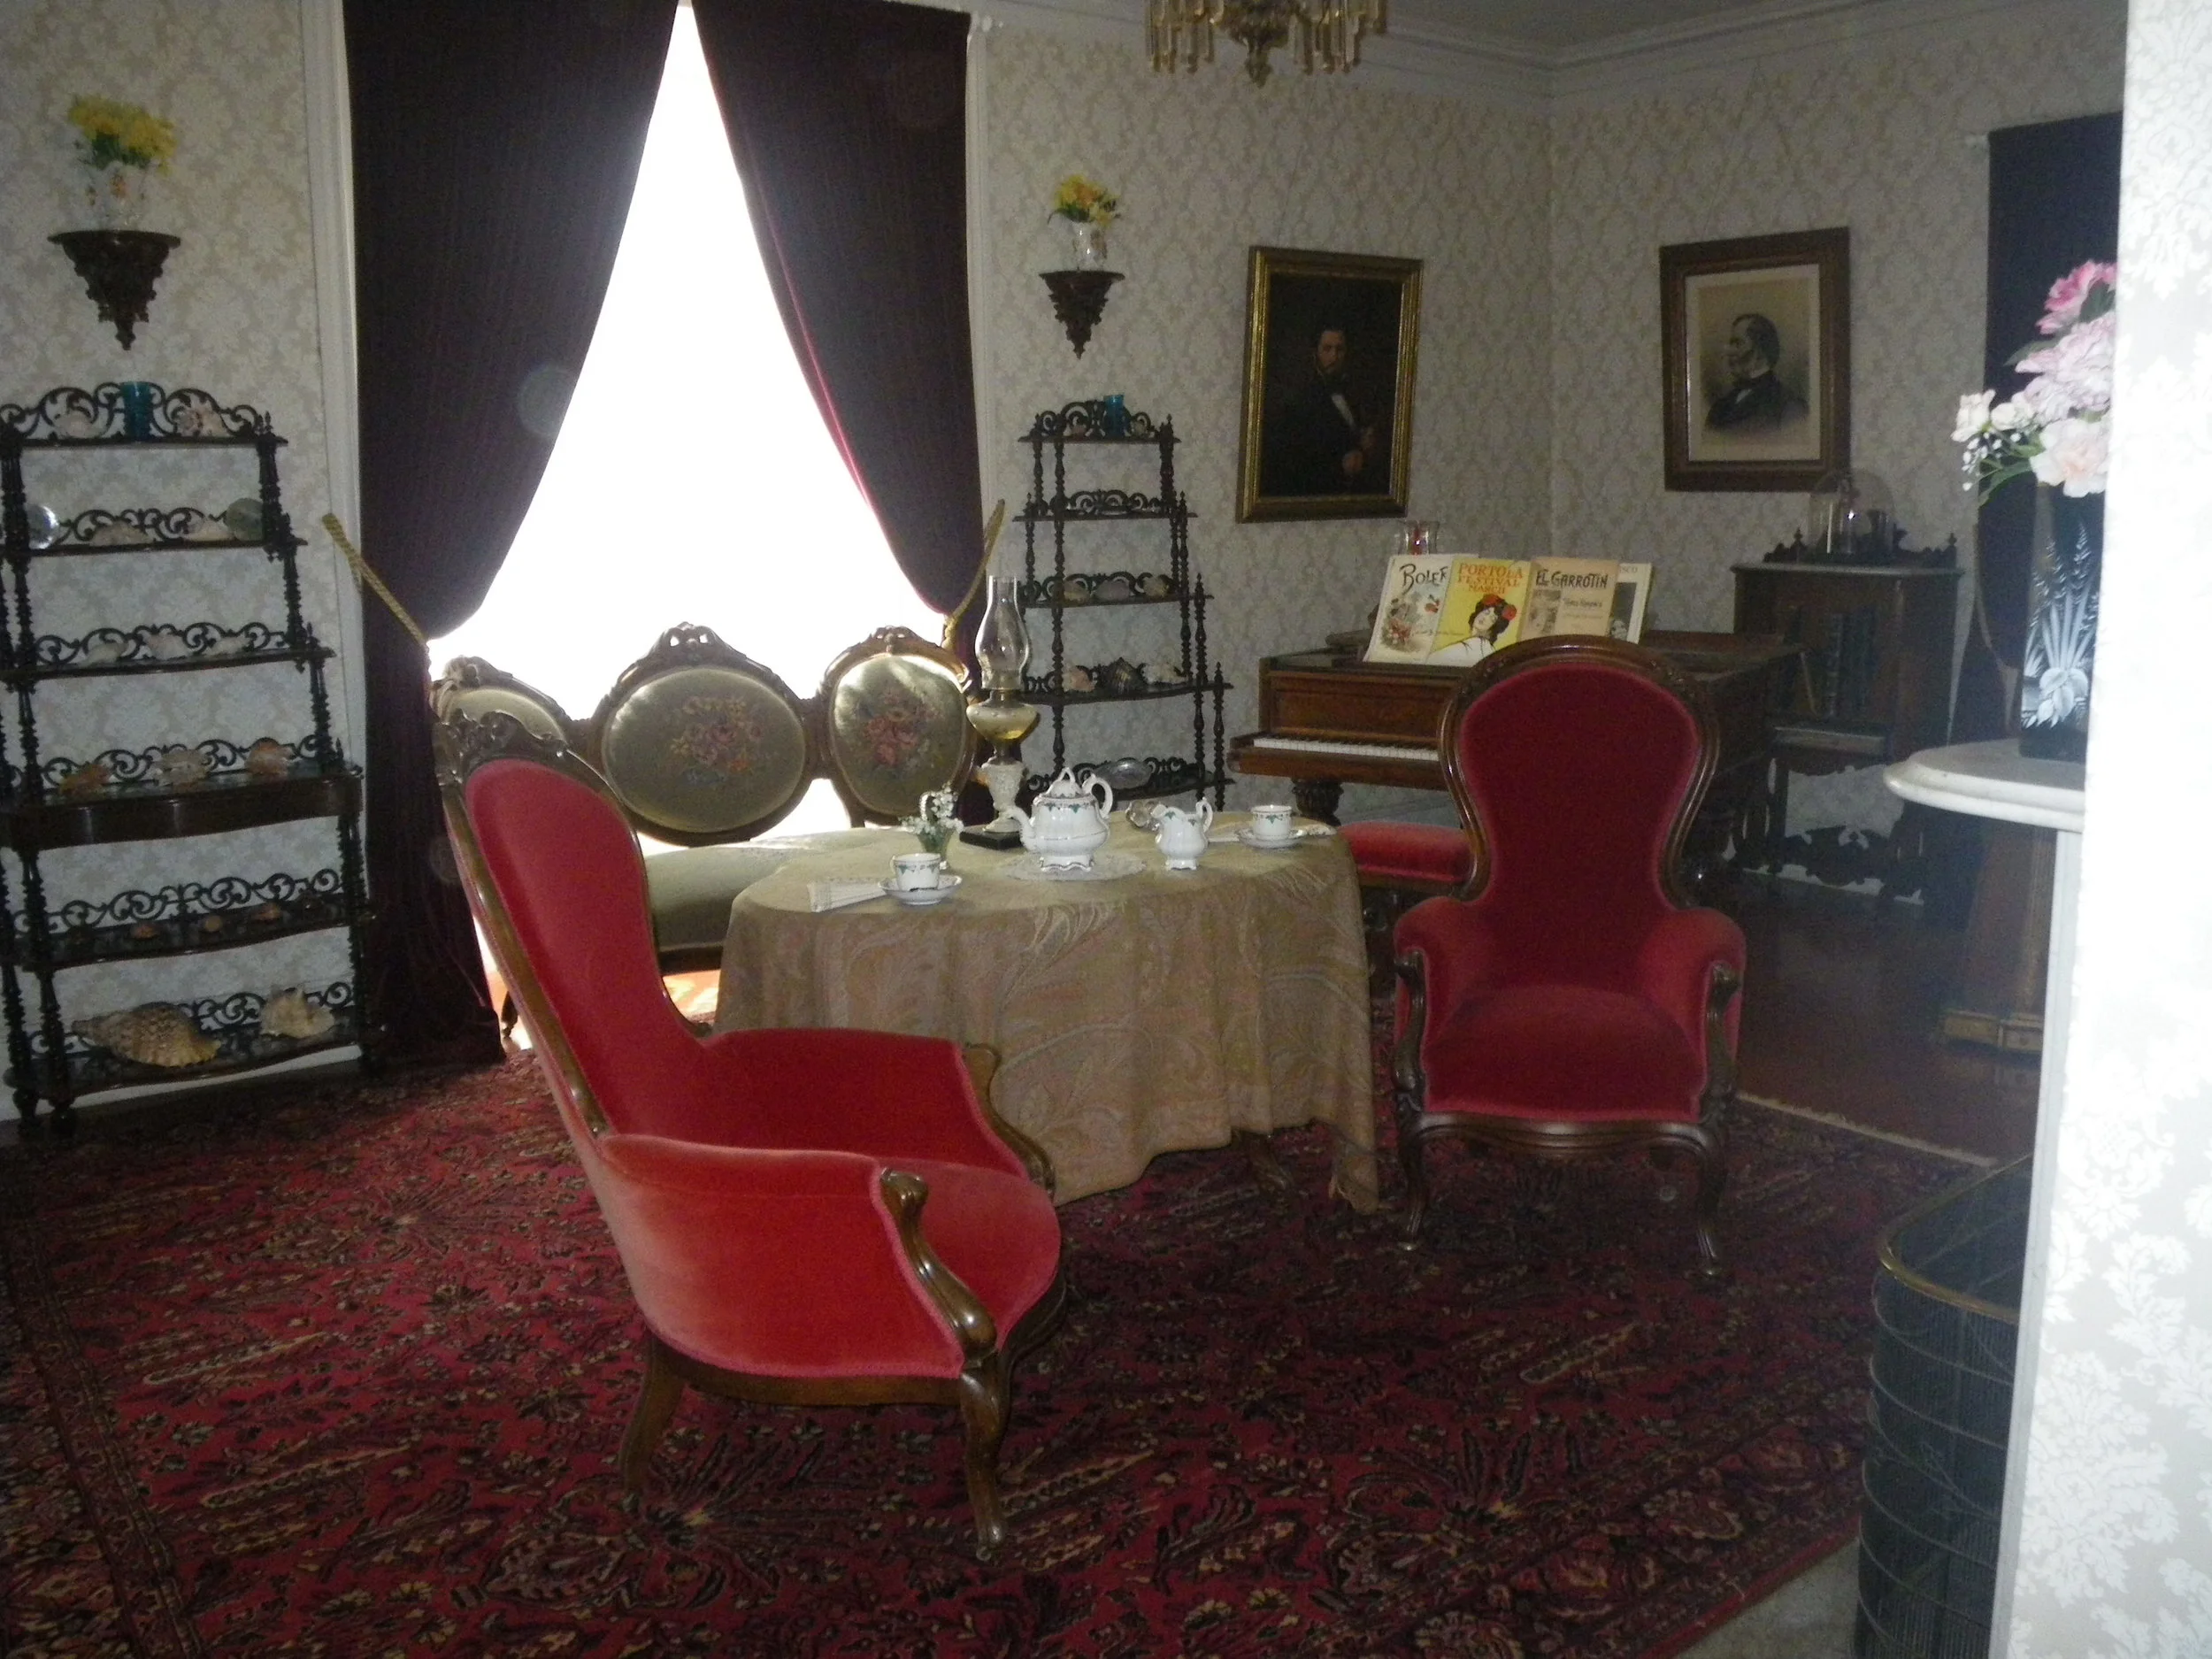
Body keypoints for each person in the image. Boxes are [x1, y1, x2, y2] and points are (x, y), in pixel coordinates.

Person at [1263, 323, 1385, 495]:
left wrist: (1365, 447)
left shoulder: (1353, 394)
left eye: (1339, 350)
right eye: (1327, 349)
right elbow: (1293, 463)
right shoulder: (1300, 402)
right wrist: (1340, 467)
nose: (1334, 357)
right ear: (1315, 353)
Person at [1705, 312, 1808, 432]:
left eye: (1737, 344)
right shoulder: (1720, 407)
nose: (1729, 351)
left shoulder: (1789, 406)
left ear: (1760, 351)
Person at [1428, 594, 1516, 666]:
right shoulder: (1479, 645)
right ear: (1478, 612)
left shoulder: (1478, 645)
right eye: (1486, 612)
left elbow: (1432, 660)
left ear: (1494, 626)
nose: (1485, 618)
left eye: (1492, 619)